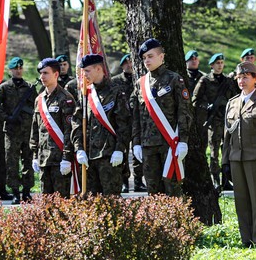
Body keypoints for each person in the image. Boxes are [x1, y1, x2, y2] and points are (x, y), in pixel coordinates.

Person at [222, 62, 256, 246]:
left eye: (246, 76)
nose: (242, 80)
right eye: (239, 77)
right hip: (236, 158)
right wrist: (225, 161)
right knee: (242, 202)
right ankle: (246, 239)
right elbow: (227, 135)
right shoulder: (232, 103)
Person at [131, 39, 191, 195]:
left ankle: (175, 220)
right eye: (144, 58)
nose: (147, 61)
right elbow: (136, 116)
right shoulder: (140, 84)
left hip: (169, 144)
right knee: (153, 191)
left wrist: (183, 141)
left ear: (161, 57)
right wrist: (136, 143)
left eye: (150, 56)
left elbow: (184, 112)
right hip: (148, 145)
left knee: (172, 189)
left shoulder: (174, 79)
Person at [72, 54, 131, 195]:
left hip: (109, 156)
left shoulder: (116, 92)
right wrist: (78, 148)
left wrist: (119, 149)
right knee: (92, 203)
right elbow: (77, 122)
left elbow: (124, 124)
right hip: (89, 157)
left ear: (98, 69)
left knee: (112, 201)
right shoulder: (86, 95)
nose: (84, 74)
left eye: (87, 71)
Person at [0, 57, 37, 203]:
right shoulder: (3, 87)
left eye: (20, 68)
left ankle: (27, 191)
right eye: (15, 68)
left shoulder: (30, 87)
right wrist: (6, 117)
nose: (18, 70)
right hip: (11, 131)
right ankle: (16, 192)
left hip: (27, 130)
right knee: (11, 163)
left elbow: (36, 106)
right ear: (10, 70)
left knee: (27, 161)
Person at [31, 57, 76, 195]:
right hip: (44, 158)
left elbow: (70, 130)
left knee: (61, 203)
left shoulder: (66, 98)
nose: (42, 76)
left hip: (59, 160)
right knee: (46, 203)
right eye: (41, 73)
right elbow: (35, 129)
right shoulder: (39, 99)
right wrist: (34, 155)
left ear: (56, 74)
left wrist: (67, 158)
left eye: (46, 73)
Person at [193, 53, 235, 190]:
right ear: (211, 65)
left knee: (227, 150)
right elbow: (195, 100)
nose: (220, 65)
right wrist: (207, 107)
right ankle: (215, 179)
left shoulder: (228, 81)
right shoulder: (205, 80)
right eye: (217, 63)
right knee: (213, 151)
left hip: (226, 120)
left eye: (222, 63)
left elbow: (235, 98)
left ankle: (226, 179)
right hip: (212, 121)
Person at [112, 53, 145, 192]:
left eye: (131, 62)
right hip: (122, 122)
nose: (129, 65)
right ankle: (124, 181)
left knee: (138, 151)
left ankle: (138, 181)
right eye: (126, 63)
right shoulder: (115, 81)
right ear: (122, 65)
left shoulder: (140, 80)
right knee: (123, 152)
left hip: (137, 120)